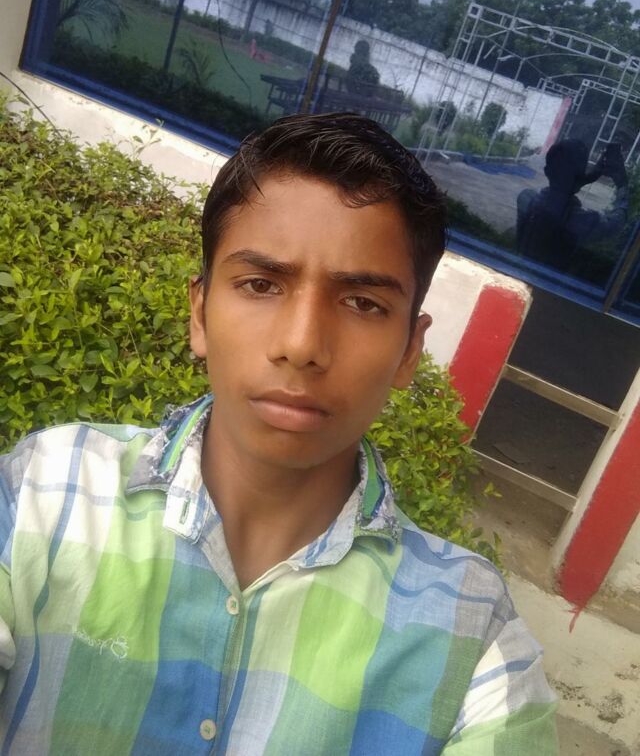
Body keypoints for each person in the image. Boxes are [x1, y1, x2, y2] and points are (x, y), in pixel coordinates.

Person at [0, 113, 558, 754]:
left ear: (410, 350)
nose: (301, 345)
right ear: (200, 313)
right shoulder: (42, 493)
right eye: (261, 284)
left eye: (363, 303)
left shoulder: (473, 640)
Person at [517, 138, 629, 270]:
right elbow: (617, 222)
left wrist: (586, 178)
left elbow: (558, 193)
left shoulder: (526, 199)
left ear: (547, 170)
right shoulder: (581, 220)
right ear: (580, 175)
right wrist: (622, 183)